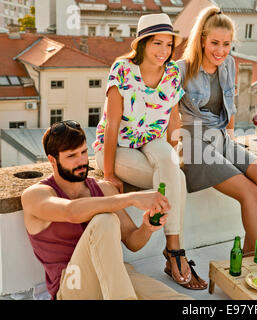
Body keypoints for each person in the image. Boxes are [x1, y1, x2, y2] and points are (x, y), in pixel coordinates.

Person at [92, 13, 207, 290]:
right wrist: (109, 174)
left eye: (169, 45)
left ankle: (173, 250)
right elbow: (111, 125)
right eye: (158, 43)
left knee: (171, 167)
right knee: (176, 179)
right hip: (118, 145)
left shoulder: (171, 74)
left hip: (152, 141)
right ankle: (175, 253)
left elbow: (174, 121)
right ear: (142, 43)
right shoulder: (121, 69)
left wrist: (171, 154)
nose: (164, 51)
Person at [21, 121, 193, 300]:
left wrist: (147, 226)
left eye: (84, 152)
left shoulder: (104, 189)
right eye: (72, 156)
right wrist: (131, 199)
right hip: (74, 283)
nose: (81, 161)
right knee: (105, 220)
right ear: (52, 160)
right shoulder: (36, 195)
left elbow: (133, 242)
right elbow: (71, 212)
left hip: (114, 275)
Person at [177, 6, 257, 266]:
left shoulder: (228, 65)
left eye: (226, 44)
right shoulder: (181, 69)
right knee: (248, 191)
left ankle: (249, 248)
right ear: (201, 39)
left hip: (221, 138)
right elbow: (166, 114)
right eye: (214, 43)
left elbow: (230, 105)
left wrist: (230, 140)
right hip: (194, 142)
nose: (220, 51)